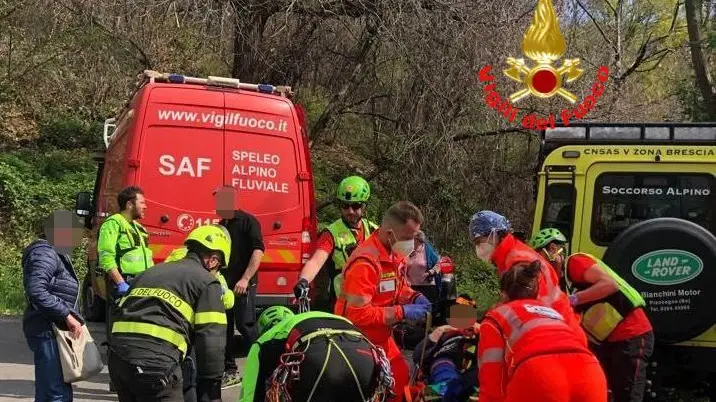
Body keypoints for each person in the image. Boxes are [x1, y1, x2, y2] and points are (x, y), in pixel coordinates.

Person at [529, 228, 655, 402]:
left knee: (628, 395)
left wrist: (572, 299)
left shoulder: (575, 262)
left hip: (632, 333)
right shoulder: (562, 281)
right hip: (608, 340)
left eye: (540, 260)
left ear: (552, 249)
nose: (541, 267)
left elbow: (609, 285)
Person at [107, 225, 229, 402]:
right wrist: (212, 390)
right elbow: (211, 339)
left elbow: (118, 313)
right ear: (213, 261)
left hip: (118, 360)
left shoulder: (148, 273)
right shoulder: (207, 281)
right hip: (156, 366)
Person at [335, 200, 432, 402]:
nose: (411, 244)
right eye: (407, 238)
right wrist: (402, 312)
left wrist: (412, 296)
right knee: (378, 390)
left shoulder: (393, 254)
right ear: (389, 233)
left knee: (401, 380)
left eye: (414, 238)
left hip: (380, 336)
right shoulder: (366, 263)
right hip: (355, 340)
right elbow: (357, 314)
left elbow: (394, 287)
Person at [477, 260, 608, 402]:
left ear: (503, 294)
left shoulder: (497, 317)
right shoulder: (554, 313)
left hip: (538, 375)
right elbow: (580, 339)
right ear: (536, 292)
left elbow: (492, 381)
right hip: (590, 372)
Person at [238, 306, 395, 402]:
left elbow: (250, 395)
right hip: (363, 355)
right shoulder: (320, 317)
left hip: (318, 358)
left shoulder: (267, 338)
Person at [468, 210, 584, 339]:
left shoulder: (518, 261)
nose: (478, 248)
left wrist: (487, 324)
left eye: (479, 241)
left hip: (557, 335)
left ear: (495, 234)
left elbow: (522, 308)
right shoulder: (511, 256)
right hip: (557, 328)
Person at [164, 225, 236, 402]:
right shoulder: (209, 273)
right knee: (191, 376)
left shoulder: (173, 258)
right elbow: (227, 300)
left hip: (163, 334)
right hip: (190, 331)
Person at [22, 210, 86, 402]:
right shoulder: (45, 252)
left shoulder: (54, 253)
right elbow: (36, 290)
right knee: (54, 393)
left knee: (55, 391)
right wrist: (67, 315)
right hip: (47, 329)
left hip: (52, 328)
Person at [293, 176, 379, 312]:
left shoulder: (375, 231)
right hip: (344, 307)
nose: (350, 211)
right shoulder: (331, 233)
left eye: (356, 206)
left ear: (364, 206)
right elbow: (316, 262)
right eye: (345, 205)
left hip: (372, 305)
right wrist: (303, 281)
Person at [215, 186, 265, 388]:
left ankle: (265, 365)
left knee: (246, 326)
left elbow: (258, 251)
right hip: (224, 287)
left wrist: (245, 279)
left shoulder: (248, 222)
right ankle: (230, 371)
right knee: (224, 329)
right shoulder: (221, 225)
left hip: (243, 284)